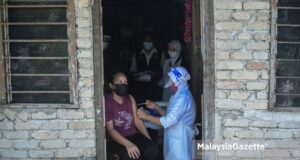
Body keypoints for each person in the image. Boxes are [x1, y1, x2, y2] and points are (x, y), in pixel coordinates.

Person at [137, 67, 196, 160]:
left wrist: (146, 116)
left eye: (171, 81)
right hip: (174, 137)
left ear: (178, 82)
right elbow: (169, 115)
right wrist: (156, 107)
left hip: (180, 140)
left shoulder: (183, 98)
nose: (168, 84)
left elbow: (168, 121)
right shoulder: (177, 95)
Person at [105, 71, 159, 160]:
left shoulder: (129, 98)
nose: (123, 84)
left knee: (153, 149)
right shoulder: (107, 101)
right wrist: (128, 144)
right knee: (131, 156)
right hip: (116, 138)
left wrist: (148, 140)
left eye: (125, 82)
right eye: (120, 82)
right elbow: (110, 130)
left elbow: (137, 121)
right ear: (112, 85)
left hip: (133, 135)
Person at [130, 32, 162, 104]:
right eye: (146, 41)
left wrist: (155, 74)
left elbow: (164, 71)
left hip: (155, 88)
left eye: (149, 41)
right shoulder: (137, 54)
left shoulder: (160, 54)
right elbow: (132, 71)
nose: (147, 43)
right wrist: (137, 75)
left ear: (153, 42)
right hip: (141, 89)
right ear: (142, 42)